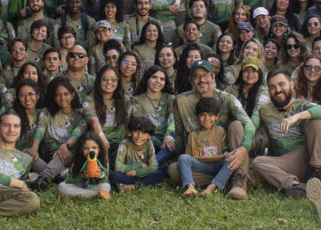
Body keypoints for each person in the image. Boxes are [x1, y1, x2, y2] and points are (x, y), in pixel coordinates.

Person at [168, 60, 254, 199]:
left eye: (206, 75)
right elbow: (179, 135)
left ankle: (239, 179)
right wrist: (181, 160)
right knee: (173, 171)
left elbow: (249, 123)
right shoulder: (180, 101)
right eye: (197, 76)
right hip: (200, 160)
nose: (202, 80)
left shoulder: (227, 99)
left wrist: (244, 148)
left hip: (224, 156)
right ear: (191, 80)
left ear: (213, 77)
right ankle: (225, 178)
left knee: (237, 126)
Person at [251, 70, 321, 198]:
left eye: (281, 84)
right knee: (258, 163)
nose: (277, 90)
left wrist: (296, 117)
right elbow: (253, 127)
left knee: (318, 121)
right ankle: (295, 186)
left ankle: (314, 176)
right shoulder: (265, 111)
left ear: (291, 85)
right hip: (288, 163)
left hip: (314, 157)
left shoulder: (302, 105)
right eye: (272, 87)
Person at [176, 98, 234, 197]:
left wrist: (225, 153)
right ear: (197, 117)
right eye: (203, 115)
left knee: (231, 159)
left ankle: (211, 187)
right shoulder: (192, 135)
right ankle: (190, 187)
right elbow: (188, 157)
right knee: (182, 158)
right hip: (200, 166)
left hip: (217, 165)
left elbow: (224, 147)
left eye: (211, 115)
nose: (207, 119)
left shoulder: (219, 130)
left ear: (217, 116)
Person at [108, 116, 160, 191]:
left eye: (144, 132)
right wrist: (139, 165)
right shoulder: (124, 144)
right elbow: (118, 167)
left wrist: (137, 172)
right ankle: (143, 184)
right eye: (136, 131)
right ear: (130, 132)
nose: (139, 136)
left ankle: (133, 186)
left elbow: (154, 166)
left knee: (160, 172)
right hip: (128, 175)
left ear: (149, 136)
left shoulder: (149, 144)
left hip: (144, 173)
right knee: (114, 176)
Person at [58, 131, 112, 200]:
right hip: (79, 184)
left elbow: (106, 179)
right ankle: (93, 195)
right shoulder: (77, 158)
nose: (90, 151)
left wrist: (101, 175)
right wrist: (81, 176)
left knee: (106, 186)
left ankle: (76, 195)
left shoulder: (103, 157)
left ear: (99, 148)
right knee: (62, 186)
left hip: (94, 185)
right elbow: (69, 179)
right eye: (86, 148)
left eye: (94, 147)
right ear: (81, 149)